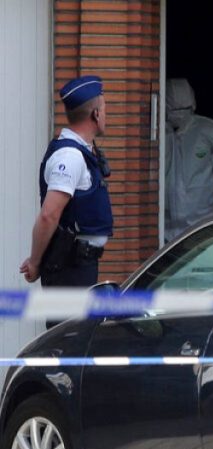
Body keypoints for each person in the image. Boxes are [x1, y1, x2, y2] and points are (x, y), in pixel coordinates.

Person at [21, 75, 113, 318]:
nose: (106, 115)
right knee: (69, 342)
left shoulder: (82, 152)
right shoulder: (70, 157)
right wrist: (35, 262)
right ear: (95, 114)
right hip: (70, 269)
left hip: (79, 266)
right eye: (104, 109)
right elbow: (49, 215)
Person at [165, 78, 213, 242]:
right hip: (165, 229)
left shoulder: (211, 132)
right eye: (174, 110)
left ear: (192, 105)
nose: (178, 114)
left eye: (183, 109)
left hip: (205, 227)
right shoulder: (159, 135)